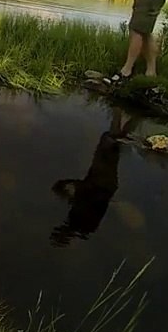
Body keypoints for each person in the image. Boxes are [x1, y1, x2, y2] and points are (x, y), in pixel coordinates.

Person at [49, 106, 130, 247]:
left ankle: (127, 117)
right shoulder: (82, 226)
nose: (60, 227)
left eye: (58, 230)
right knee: (109, 142)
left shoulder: (78, 224)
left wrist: (69, 189)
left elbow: (84, 197)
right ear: (65, 236)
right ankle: (120, 112)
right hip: (102, 184)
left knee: (111, 143)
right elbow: (89, 197)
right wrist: (70, 189)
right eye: (60, 232)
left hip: (100, 183)